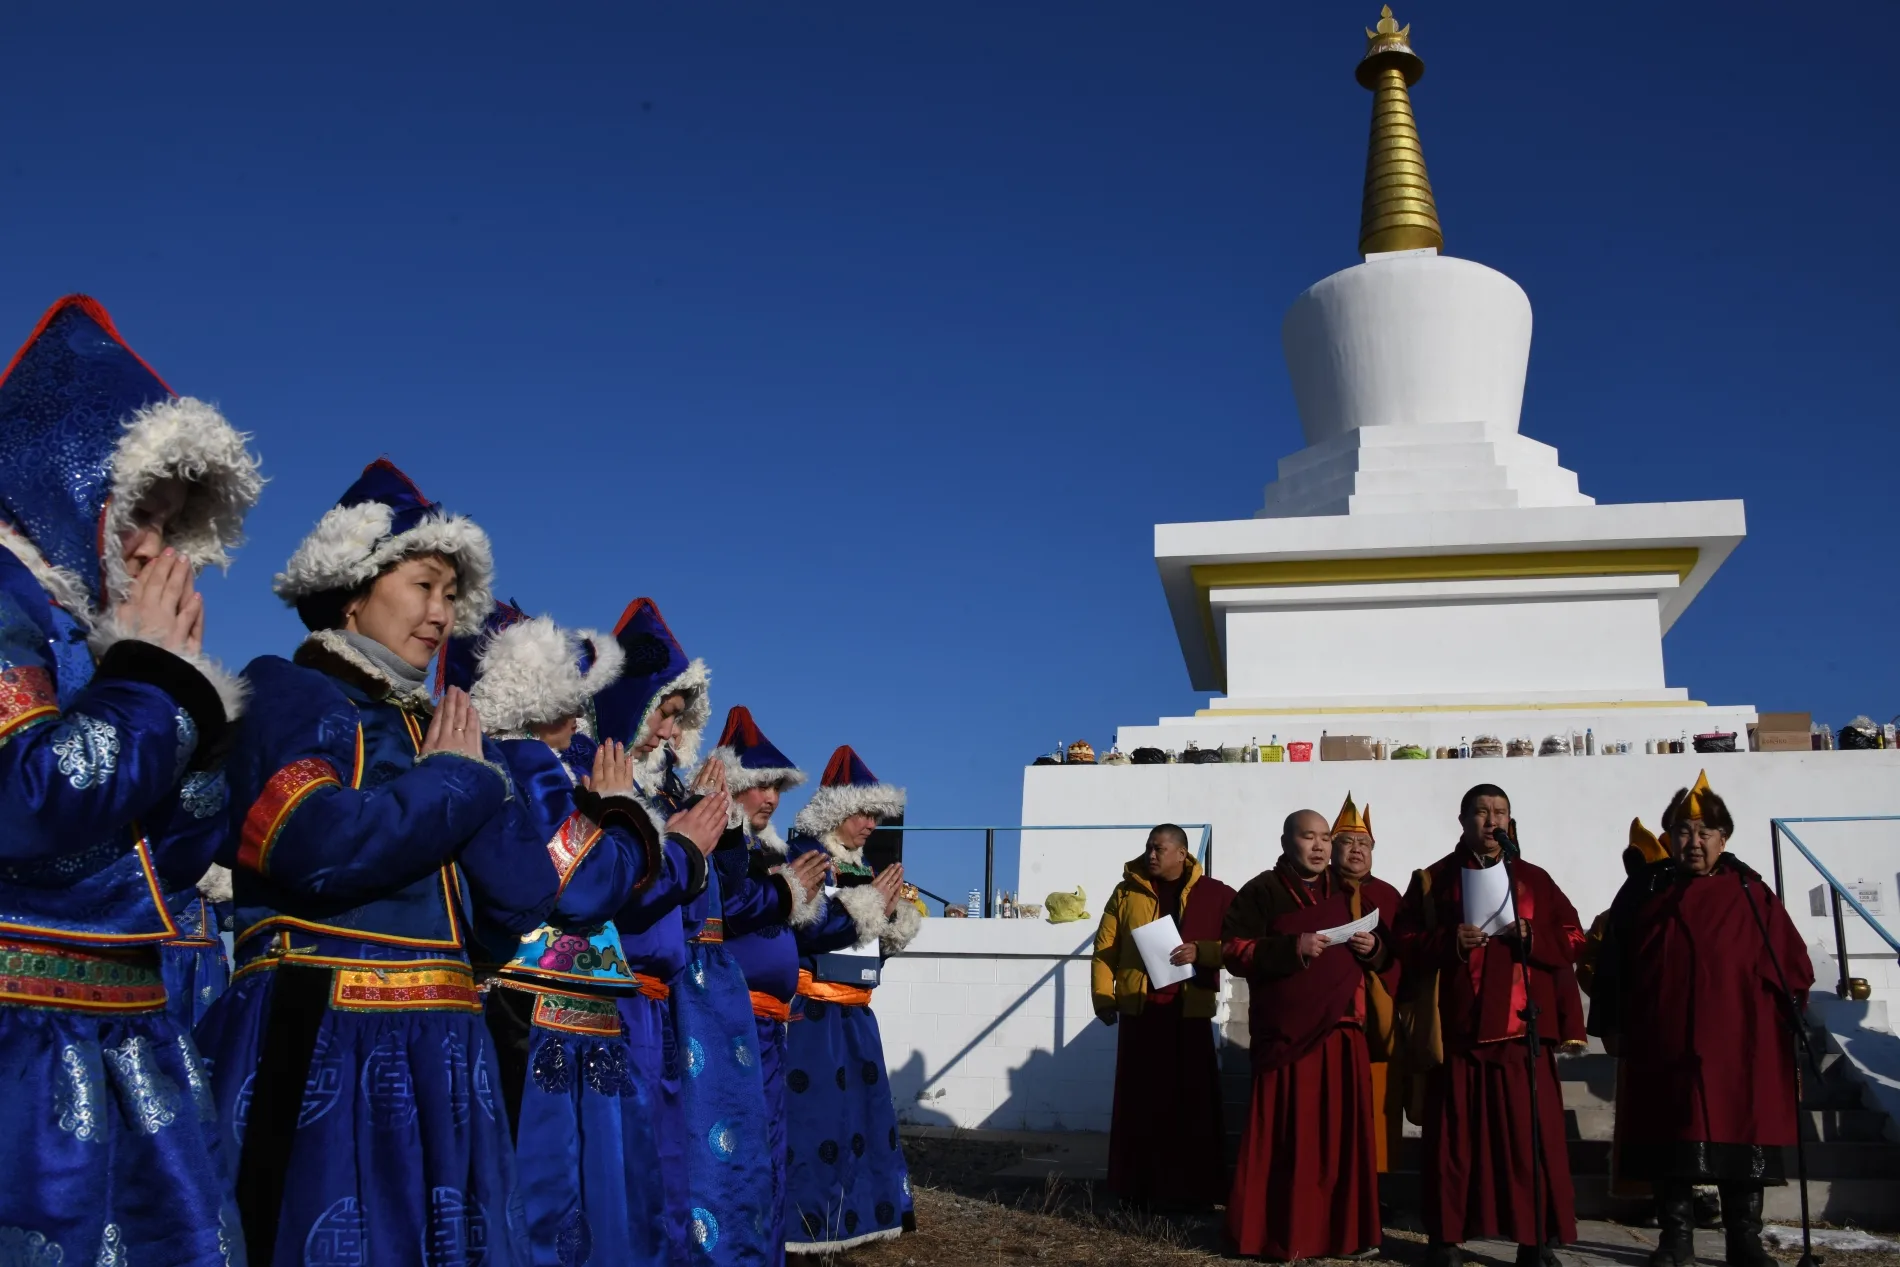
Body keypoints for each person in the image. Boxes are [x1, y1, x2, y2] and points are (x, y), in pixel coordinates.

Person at [201, 458, 560, 1267]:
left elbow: (526, 895)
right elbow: (316, 846)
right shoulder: (290, 692)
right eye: (424, 585)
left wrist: (474, 778)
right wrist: (454, 785)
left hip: (444, 1046)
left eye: (450, 596)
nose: (442, 614)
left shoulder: (440, 730)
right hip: (325, 1031)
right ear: (352, 589)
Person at [0, 294, 262, 1263]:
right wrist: (155, 686)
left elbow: (183, 856)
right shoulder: (3, 596)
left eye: (169, 525)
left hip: (129, 1035)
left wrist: (187, 706)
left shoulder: (108, 642)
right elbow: (24, 800)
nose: (154, 548)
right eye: (139, 514)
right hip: (19, 1051)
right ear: (67, 485)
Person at [440, 600, 676, 1266]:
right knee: (567, 1182)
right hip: (542, 1008)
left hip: (538, 1000)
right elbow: (586, 884)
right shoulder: (532, 763)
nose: (581, 715)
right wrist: (624, 815)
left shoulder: (506, 761)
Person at [593, 596, 768, 1264]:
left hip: (679, 1006)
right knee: (641, 1176)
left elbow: (708, 902)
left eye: (678, 715)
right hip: (621, 1008)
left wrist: (715, 835)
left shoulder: (668, 794)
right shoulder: (603, 783)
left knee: (695, 1163)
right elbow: (613, 892)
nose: (669, 728)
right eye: (661, 709)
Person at [1588, 772, 1814, 1267]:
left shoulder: (1752, 891)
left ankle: (1744, 1240)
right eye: (1682, 832)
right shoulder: (1645, 890)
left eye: (1704, 833)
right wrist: (1610, 1022)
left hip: (1741, 1037)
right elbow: (1615, 962)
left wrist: (1789, 1015)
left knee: (1743, 1131)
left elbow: (1790, 962)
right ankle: (1675, 1242)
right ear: (1668, 839)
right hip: (1665, 1035)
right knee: (1671, 1135)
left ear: (1723, 838)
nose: (1693, 842)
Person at [1395, 783, 1587, 1267]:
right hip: (1458, 1030)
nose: (1491, 821)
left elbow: (1574, 937)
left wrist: (1534, 936)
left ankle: (1535, 1240)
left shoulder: (1534, 879)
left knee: (1529, 1139)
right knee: (1454, 1143)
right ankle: (1447, 1239)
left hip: (1522, 1031)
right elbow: (1403, 940)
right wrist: (1448, 940)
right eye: (1481, 812)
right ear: (1462, 820)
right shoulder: (1433, 880)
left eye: (1500, 812)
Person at [1221, 809, 1388, 1260]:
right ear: (1286, 841)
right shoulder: (1262, 891)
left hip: (1342, 1027)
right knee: (1290, 1140)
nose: (1318, 846)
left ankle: (1345, 1236)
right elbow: (1234, 951)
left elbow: (1385, 950)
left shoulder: (1351, 893)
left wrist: (1374, 949)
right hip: (1288, 1033)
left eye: (1323, 838)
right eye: (1307, 837)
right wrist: (1292, 947)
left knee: (1341, 1141)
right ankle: (1283, 1234)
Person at [783, 746, 922, 1255]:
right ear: (837, 810)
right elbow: (808, 927)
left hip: (854, 1015)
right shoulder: (804, 856)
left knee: (857, 1122)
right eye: (863, 813)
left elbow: (866, 947)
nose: (870, 825)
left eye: (876, 817)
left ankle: (853, 1222)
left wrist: (891, 920)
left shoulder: (859, 867)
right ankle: (805, 1230)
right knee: (815, 1122)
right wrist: (870, 907)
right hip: (810, 1017)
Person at [710, 706, 832, 1265]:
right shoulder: (719, 846)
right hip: (729, 1023)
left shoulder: (766, 853)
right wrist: (784, 893)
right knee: (737, 1151)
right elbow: (732, 907)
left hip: (767, 1026)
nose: (771, 799)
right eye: (760, 786)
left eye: (777, 788)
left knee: (769, 1149)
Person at [1091, 823, 1235, 1210]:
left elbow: (1241, 942)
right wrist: (1104, 999)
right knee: (1141, 1103)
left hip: (1188, 1012)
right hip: (1141, 1009)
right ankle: (1136, 1189)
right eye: (1148, 848)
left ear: (1182, 854)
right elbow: (1105, 947)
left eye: (1159, 848)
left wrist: (1201, 952)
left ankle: (1197, 1191)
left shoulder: (1214, 893)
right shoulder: (1126, 891)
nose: (1151, 855)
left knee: (1193, 1103)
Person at [1330, 793, 1405, 1173]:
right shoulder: (1316, 891)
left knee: (1376, 1101)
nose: (1356, 850)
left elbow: (1406, 955)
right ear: (1330, 847)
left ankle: (1374, 1187)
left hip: (1375, 1016)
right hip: (1328, 1012)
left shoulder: (1389, 896)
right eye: (1347, 842)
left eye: (1364, 844)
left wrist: (1377, 952)